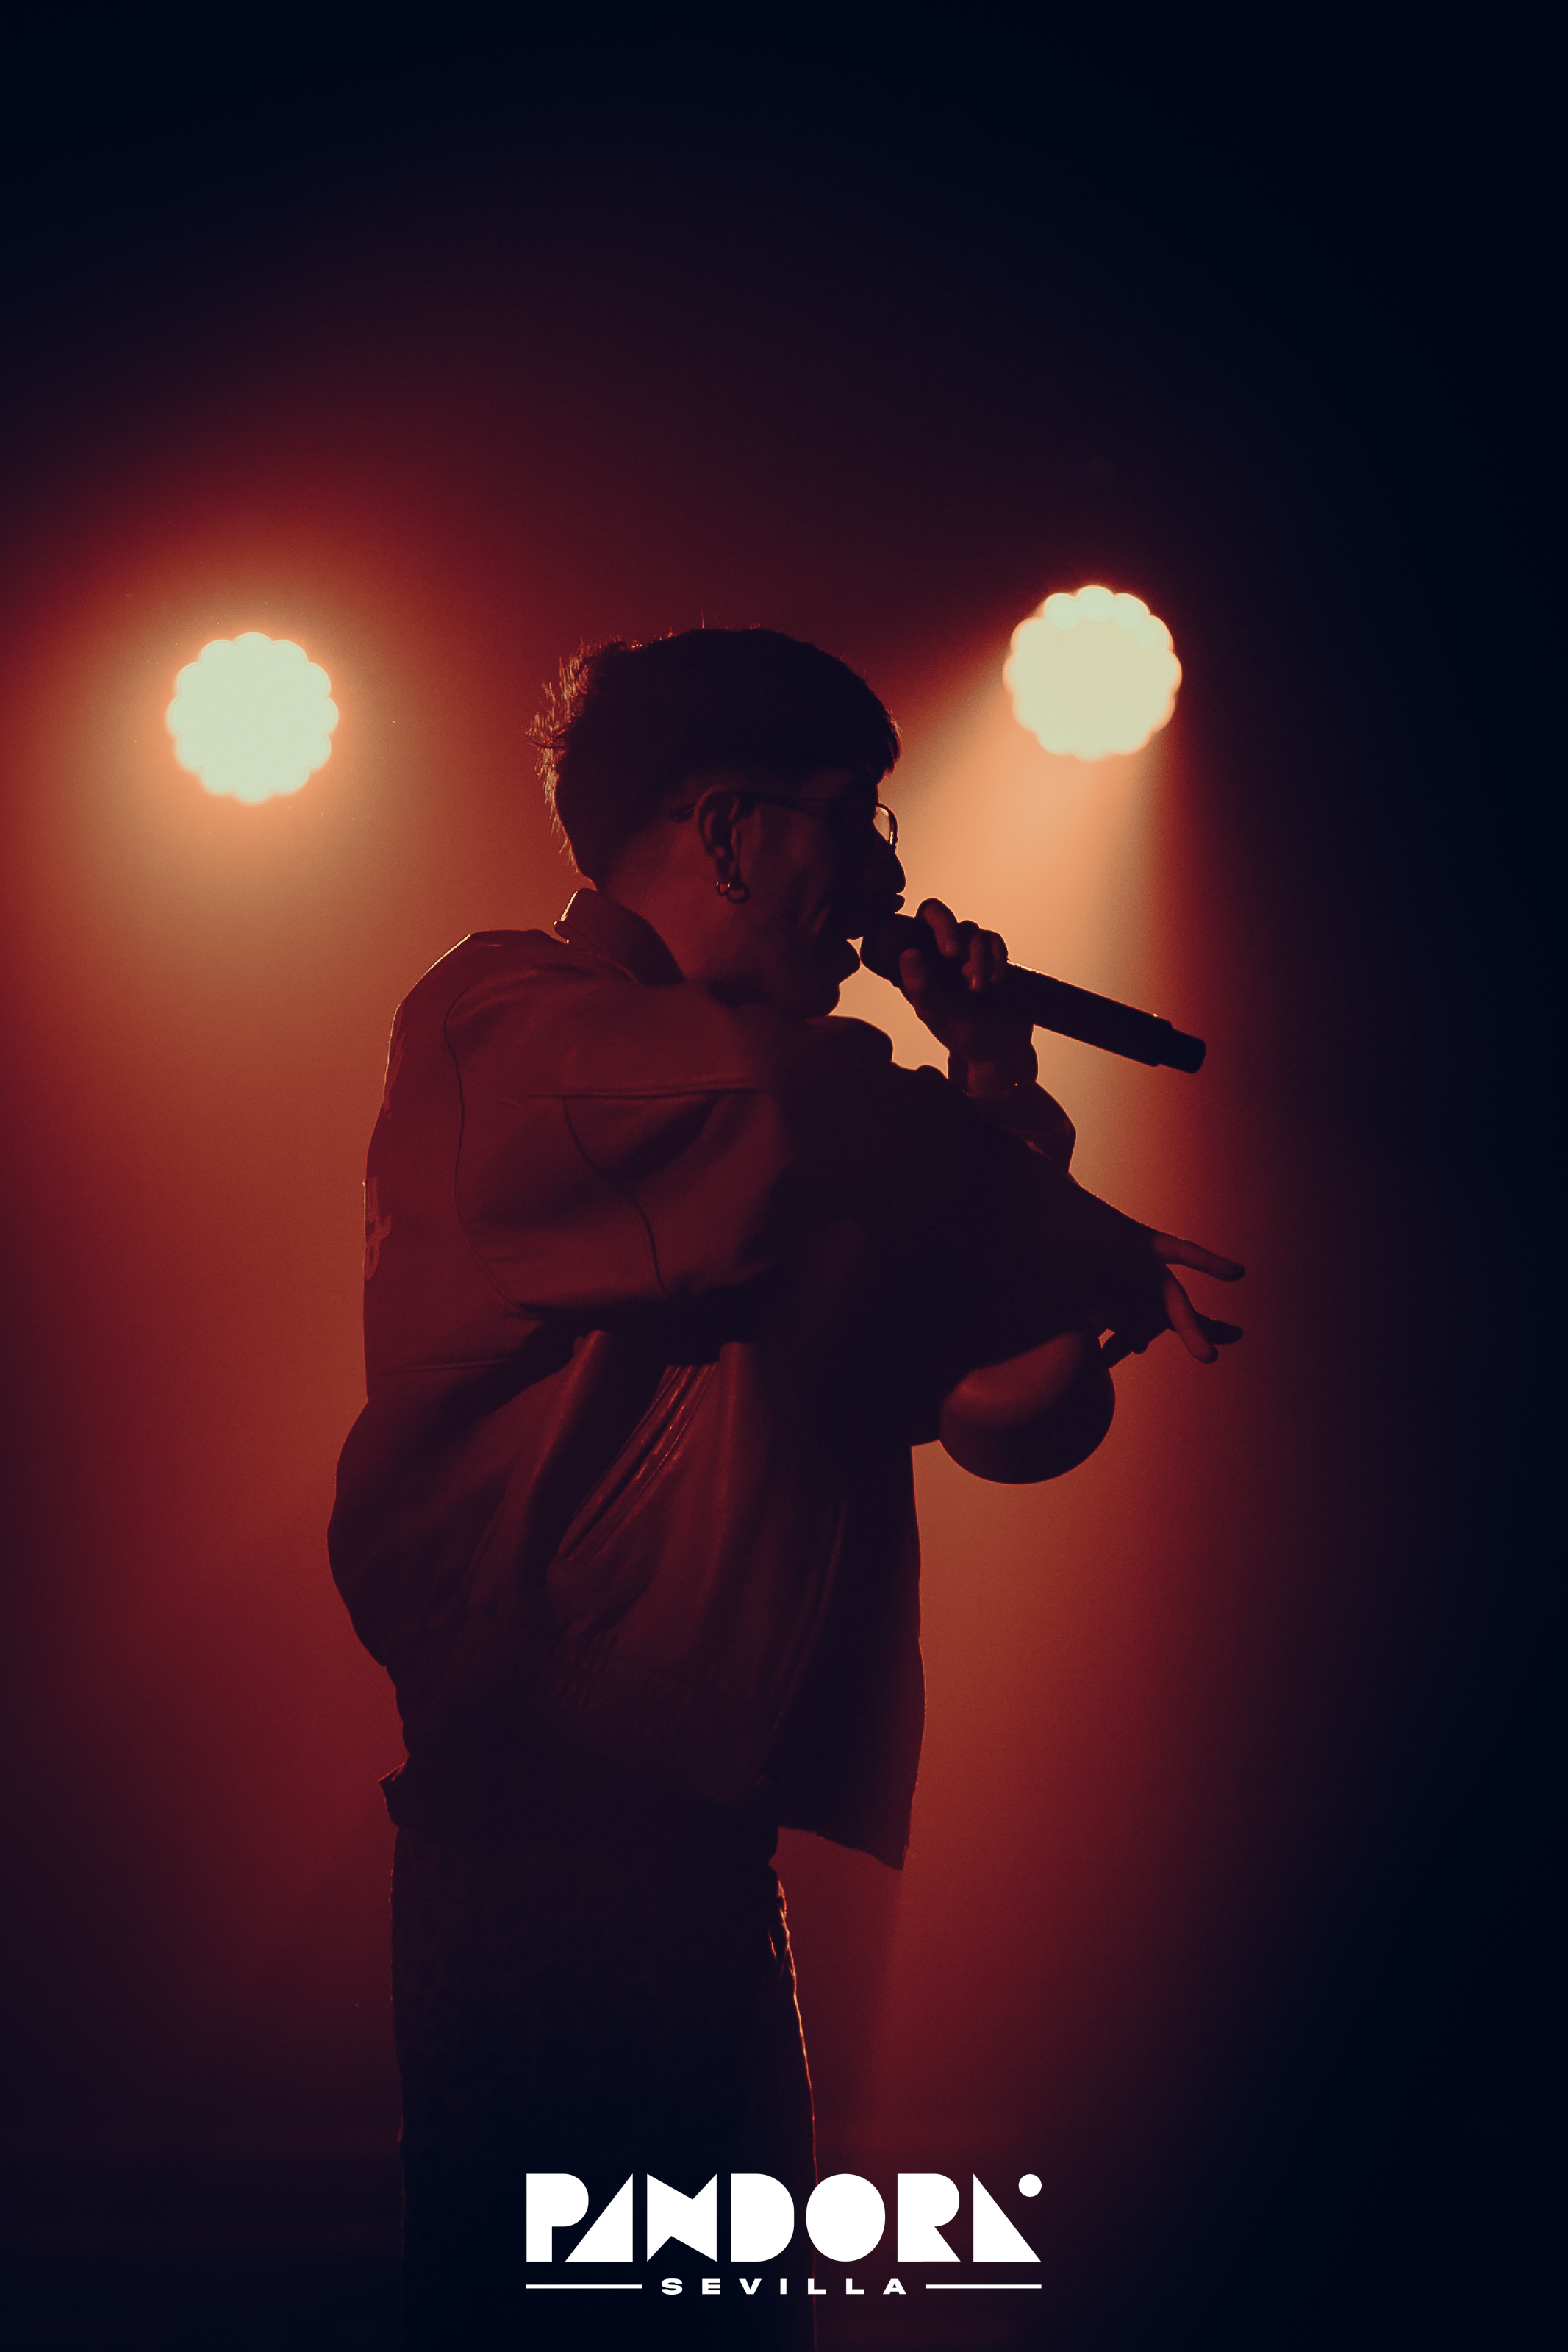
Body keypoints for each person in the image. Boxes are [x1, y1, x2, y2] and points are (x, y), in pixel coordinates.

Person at [327, 626, 1242, 2345]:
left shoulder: (836, 1137)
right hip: (539, 1841)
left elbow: (1012, 1408)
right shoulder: (506, 1019)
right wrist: (1032, 1200)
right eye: (854, 818)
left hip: (698, 1863)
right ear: (729, 830)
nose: (882, 879)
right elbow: (773, 1105)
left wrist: (995, 1080)